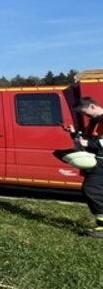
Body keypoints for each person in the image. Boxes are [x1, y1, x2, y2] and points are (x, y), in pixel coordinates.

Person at [64, 96, 103, 238]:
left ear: (93, 106)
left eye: (85, 112)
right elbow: (88, 139)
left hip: (101, 163)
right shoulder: (94, 122)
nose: (84, 116)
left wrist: (88, 144)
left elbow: (96, 143)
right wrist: (73, 133)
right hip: (96, 162)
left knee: (91, 190)